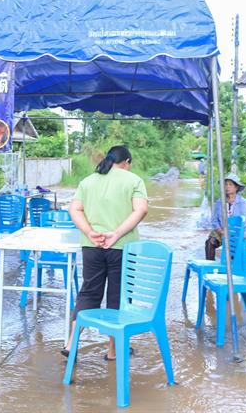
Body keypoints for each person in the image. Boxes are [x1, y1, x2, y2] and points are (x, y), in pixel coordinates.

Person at [62, 145, 148, 360]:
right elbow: (141, 209)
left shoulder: (88, 181)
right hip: (123, 248)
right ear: (126, 162)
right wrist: (116, 234)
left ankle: (71, 343)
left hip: (92, 246)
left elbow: (74, 208)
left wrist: (91, 233)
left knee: (89, 293)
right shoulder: (133, 180)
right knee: (117, 298)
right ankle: (112, 351)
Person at [205, 172, 246, 260]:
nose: (227, 187)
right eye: (225, 185)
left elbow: (245, 222)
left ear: (236, 187)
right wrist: (221, 231)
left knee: (233, 247)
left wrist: (233, 233)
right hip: (221, 231)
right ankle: (210, 267)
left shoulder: (242, 203)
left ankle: (233, 268)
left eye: (230, 185)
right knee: (210, 242)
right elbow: (214, 220)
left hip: (237, 233)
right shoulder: (219, 202)